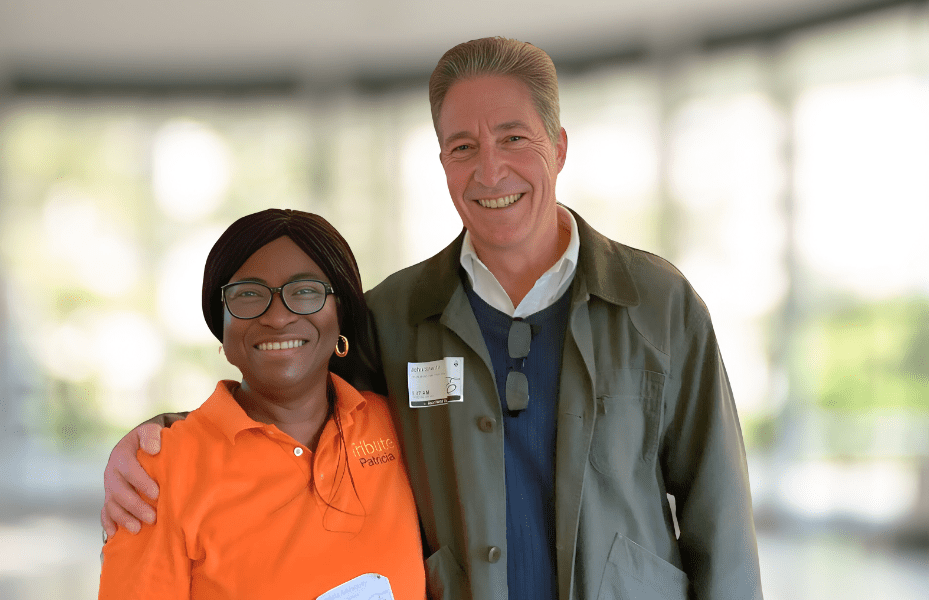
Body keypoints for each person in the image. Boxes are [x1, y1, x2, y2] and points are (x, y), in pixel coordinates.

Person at [103, 37, 763, 599]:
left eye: (514, 138)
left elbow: (720, 515)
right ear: (443, 163)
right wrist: (162, 438)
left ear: (559, 147)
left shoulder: (658, 301)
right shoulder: (392, 315)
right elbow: (298, 405)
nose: (491, 168)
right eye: (463, 147)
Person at [98, 209, 425, 599]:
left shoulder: (400, 425)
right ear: (220, 323)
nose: (278, 316)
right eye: (248, 294)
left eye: (305, 291)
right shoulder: (159, 472)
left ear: (342, 314)